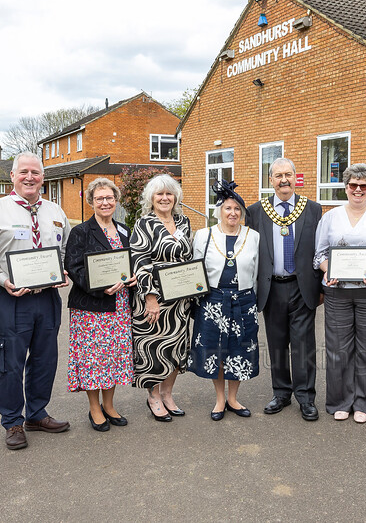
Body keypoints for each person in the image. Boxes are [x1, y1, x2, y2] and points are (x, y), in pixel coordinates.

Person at [0, 151, 71, 450]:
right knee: (9, 363)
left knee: (45, 359)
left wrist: (63, 269)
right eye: (24, 172)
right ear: (12, 176)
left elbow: (66, 248)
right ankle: (13, 421)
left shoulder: (55, 210)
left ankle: (37, 414)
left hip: (48, 298)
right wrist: (4, 281)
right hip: (12, 299)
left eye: (36, 172)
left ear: (43, 177)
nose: (30, 177)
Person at [314, 163, 366, 423]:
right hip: (338, 291)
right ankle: (342, 401)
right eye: (353, 185)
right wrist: (329, 270)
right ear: (346, 187)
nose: (358, 190)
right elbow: (320, 254)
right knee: (338, 349)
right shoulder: (330, 217)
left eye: (363, 186)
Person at [245, 158, 323, 421]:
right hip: (272, 288)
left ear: (295, 177)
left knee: (303, 345)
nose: (284, 180)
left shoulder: (312, 209)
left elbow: (320, 248)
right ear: (271, 180)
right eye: (278, 176)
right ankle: (281, 393)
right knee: (276, 344)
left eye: (288, 174)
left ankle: (305, 397)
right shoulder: (256, 211)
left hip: (302, 287)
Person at [64, 178, 137, 432]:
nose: (105, 203)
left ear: (116, 201)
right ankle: (94, 408)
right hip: (91, 308)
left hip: (120, 306)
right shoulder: (81, 232)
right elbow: (73, 267)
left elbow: (130, 261)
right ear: (91, 202)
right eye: (99, 198)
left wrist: (134, 276)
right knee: (94, 360)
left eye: (109, 198)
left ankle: (109, 405)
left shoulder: (124, 229)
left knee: (114, 357)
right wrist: (99, 287)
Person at [189, 181, 261, 420]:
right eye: (228, 208)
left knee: (239, 349)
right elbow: (195, 270)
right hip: (212, 301)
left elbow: (257, 270)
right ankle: (220, 399)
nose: (233, 213)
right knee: (215, 351)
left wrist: (254, 300)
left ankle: (233, 398)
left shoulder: (253, 236)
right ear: (219, 210)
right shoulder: (203, 235)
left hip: (243, 301)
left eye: (237, 209)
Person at [130, 174, 192, 421]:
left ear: (175, 197)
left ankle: (167, 393)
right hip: (154, 299)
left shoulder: (183, 221)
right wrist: (150, 298)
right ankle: (153, 396)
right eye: (159, 194)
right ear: (151, 198)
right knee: (154, 347)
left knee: (176, 348)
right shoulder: (143, 223)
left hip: (180, 299)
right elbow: (141, 261)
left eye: (169, 193)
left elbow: (190, 257)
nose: (165, 198)